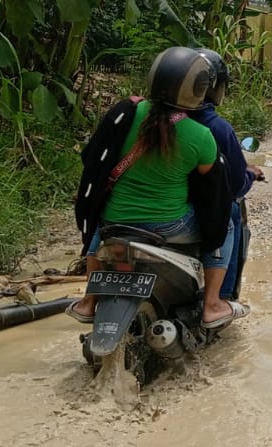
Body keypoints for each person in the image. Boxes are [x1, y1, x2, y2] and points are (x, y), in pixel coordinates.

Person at [68, 47, 246, 328]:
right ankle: (212, 305)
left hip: (116, 222)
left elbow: (93, 156)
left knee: (103, 221)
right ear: (200, 89)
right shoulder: (202, 136)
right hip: (168, 226)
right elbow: (215, 193)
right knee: (228, 222)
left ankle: (89, 301)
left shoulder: (126, 112)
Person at [191, 48, 265, 301]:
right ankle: (219, 298)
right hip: (181, 213)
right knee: (230, 214)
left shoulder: (145, 118)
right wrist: (250, 176)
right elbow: (234, 186)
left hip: (138, 210)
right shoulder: (213, 128)